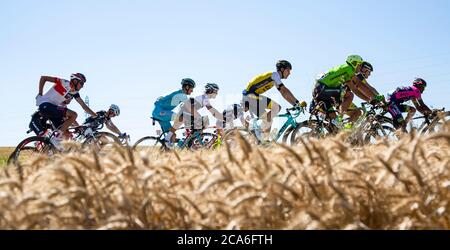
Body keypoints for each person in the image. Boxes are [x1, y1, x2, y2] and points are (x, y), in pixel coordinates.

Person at [242, 60, 305, 141]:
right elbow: (285, 90)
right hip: (250, 96)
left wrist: (294, 104)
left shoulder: (274, 80)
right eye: (288, 70)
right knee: (276, 108)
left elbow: (284, 94)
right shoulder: (275, 75)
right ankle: (260, 133)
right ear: (282, 69)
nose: (289, 73)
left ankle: (263, 141)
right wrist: (297, 103)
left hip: (249, 96)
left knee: (269, 118)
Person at [312, 55, 383, 125]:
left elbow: (354, 89)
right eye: (360, 65)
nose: (360, 67)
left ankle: (343, 132)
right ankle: (339, 119)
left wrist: (369, 99)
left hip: (324, 92)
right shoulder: (348, 68)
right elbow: (360, 85)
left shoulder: (346, 73)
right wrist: (373, 98)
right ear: (355, 63)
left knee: (336, 124)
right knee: (349, 95)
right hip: (322, 89)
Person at [35, 73, 97, 147]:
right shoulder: (63, 82)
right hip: (46, 105)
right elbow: (43, 78)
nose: (82, 86)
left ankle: (50, 151)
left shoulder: (74, 92)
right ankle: (56, 138)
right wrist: (40, 94)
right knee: (74, 115)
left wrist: (95, 115)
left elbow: (83, 106)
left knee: (67, 134)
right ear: (75, 81)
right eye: (81, 83)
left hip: (53, 110)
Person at [151, 78, 196, 142]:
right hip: (160, 112)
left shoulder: (180, 93)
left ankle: (165, 148)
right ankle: (167, 140)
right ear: (187, 87)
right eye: (191, 89)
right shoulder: (181, 94)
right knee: (181, 118)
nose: (192, 91)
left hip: (160, 113)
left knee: (172, 136)